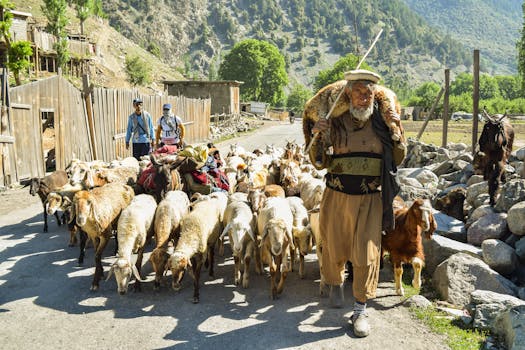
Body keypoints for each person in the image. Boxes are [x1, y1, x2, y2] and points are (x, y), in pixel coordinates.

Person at [307, 69, 406, 338]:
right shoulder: (334, 122)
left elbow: (398, 157)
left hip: (370, 200)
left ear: (375, 96)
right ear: (348, 94)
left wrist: (396, 130)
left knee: (367, 254)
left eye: (369, 93)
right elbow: (318, 162)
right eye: (359, 92)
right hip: (336, 197)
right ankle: (335, 281)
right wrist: (318, 134)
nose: (364, 98)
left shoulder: (383, 122)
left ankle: (360, 310)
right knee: (333, 247)